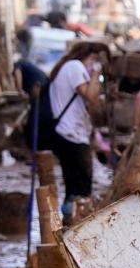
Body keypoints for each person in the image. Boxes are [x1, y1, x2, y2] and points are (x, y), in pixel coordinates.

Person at [44, 41, 110, 221]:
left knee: (73, 186)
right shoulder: (75, 67)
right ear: (94, 58)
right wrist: (96, 73)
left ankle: (68, 224)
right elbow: (91, 97)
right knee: (81, 188)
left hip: (67, 134)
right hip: (71, 134)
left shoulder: (68, 67)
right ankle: (77, 228)